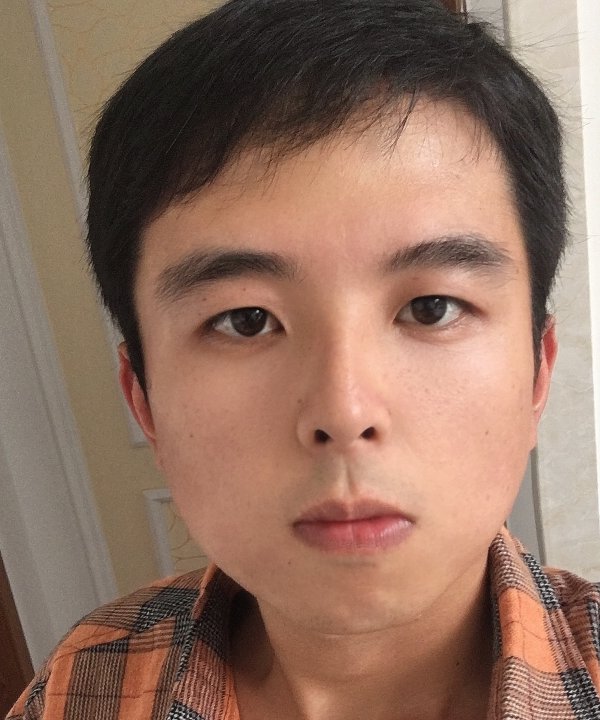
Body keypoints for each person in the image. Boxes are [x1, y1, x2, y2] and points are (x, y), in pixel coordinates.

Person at [8, 1, 600, 718]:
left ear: (537, 372)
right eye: (246, 320)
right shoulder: (87, 683)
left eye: (431, 308)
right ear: (145, 402)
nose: (344, 413)